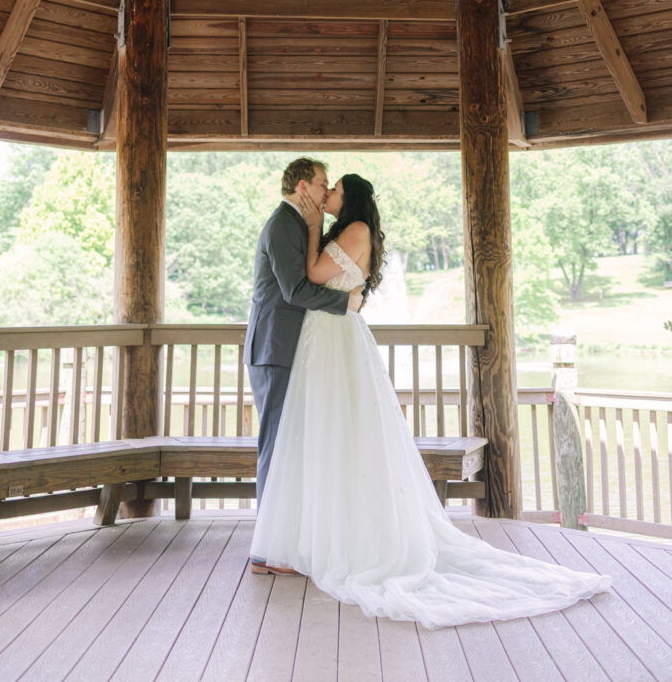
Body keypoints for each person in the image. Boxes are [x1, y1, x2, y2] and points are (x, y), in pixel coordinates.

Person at [250, 173, 612, 628]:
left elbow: (312, 275)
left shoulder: (353, 231)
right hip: (325, 339)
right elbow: (318, 282)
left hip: (334, 339)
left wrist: (308, 230)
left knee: (339, 434)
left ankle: (329, 543)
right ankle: (315, 538)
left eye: (335, 188)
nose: (329, 194)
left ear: (351, 197)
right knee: (324, 436)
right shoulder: (342, 232)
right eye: (327, 185)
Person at [244, 157, 362, 576]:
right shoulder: (282, 225)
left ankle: (285, 544)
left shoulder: (299, 224)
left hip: (291, 348)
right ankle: (264, 553)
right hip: (274, 349)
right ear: (302, 187)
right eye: (322, 182)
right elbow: (294, 290)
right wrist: (345, 303)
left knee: (290, 446)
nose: (327, 190)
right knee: (276, 447)